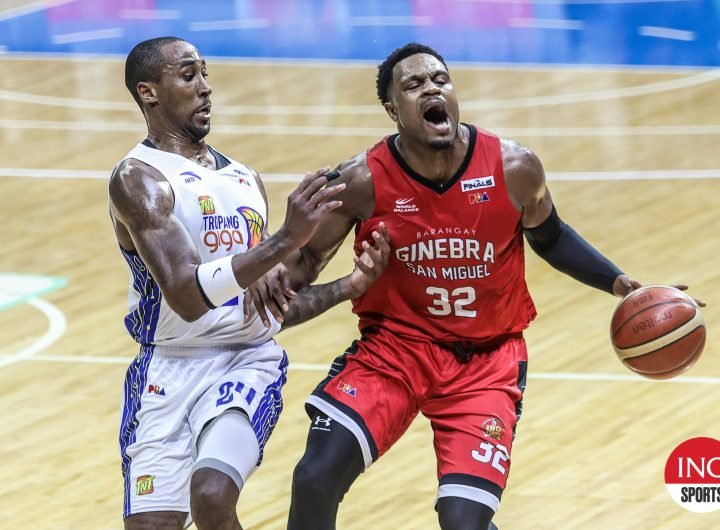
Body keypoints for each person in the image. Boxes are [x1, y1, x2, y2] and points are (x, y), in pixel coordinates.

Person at [248, 43, 704, 530]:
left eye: (440, 80)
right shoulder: (362, 181)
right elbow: (293, 288)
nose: (431, 88)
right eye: (414, 84)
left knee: (463, 521)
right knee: (315, 477)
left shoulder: (514, 167)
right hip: (395, 350)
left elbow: (550, 237)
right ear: (392, 110)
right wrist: (271, 263)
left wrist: (619, 282)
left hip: (486, 364)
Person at [108, 36, 390, 530]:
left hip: (246, 362)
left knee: (212, 494)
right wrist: (284, 240)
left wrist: (351, 284)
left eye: (206, 74)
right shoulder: (139, 179)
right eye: (189, 75)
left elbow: (269, 309)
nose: (206, 88)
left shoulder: (244, 180)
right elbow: (187, 296)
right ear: (148, 92)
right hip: (166, 369)